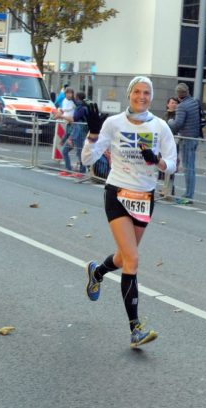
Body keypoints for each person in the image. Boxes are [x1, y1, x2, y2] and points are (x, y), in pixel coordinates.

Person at [81, 76, 177, 348]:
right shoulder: (113, 124)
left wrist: (157, 161)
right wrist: (92, 135)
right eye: (137, 91)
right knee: (133, 258)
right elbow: (87, 159)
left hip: (145, 196)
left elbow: (172, 164)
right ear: (129, 94)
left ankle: (97, 272)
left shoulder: (161, 127)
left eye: (147, 92)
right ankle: (136, 329)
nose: (142, 96)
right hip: (118, 193)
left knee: (125, 257)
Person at [167, 83, 201, 205]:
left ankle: (188, 195)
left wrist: (170, 121)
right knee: (191, 167)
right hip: (194, 138)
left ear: (178, 94)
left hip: (186, 139)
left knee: (188, 168)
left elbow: (178, 125)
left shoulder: (181, 106)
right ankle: (189, 194)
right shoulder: (194, 102)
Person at [159, 97, 179, 194]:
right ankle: (163, 188)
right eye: (172, 102)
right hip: (163, 144)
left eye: (175, 103)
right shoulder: (165, 116)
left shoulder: (178, 116)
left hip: (173, 144)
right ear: (168, 104)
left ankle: (169, 190)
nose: (174, 104)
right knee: (162, 166)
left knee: (171, 166)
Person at [54, 87, 76, 175]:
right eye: (67, 93)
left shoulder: (73, 102)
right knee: (72, 151)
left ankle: (70, 169)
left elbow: (68, 109)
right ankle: (70, 168)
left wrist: (60, 112)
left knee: (76, 152)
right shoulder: (65, 101)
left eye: (71, 93)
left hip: (72, 124)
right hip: (68, 123)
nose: (69, 95)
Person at [71, 91, 90, 175]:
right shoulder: (82, 105)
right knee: (79, 150)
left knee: (80, 150)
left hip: (80, 131)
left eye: (75, 96)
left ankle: (82, 170)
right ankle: (82, 168)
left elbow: (75, 117)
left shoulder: (81, 108)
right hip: (80, 130)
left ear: (78, 97)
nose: (74, 97)